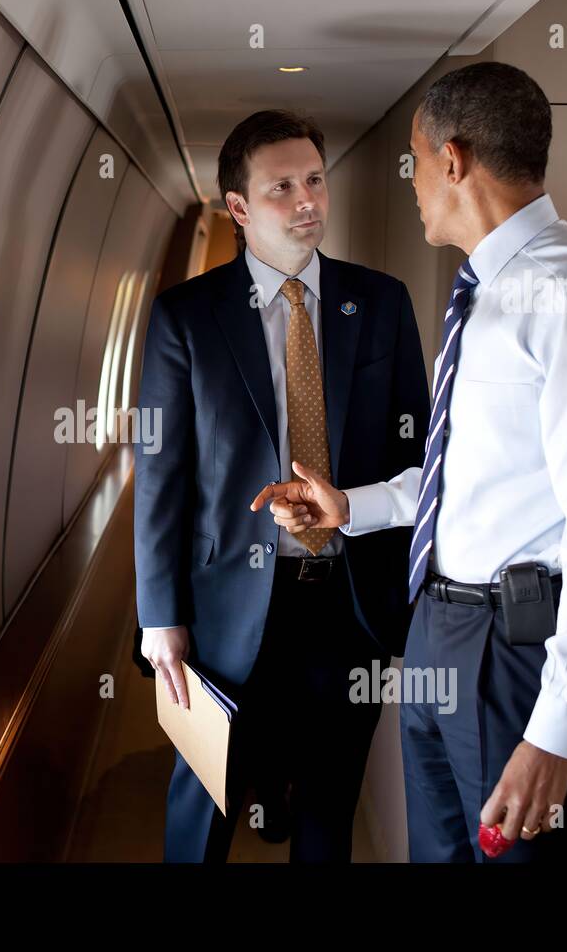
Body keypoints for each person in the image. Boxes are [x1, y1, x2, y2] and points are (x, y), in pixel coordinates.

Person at [256, 62, 567, 862]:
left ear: (453, 160)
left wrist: (556, 730)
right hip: (442, 629)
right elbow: (474, 474)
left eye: (415, 161)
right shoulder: (486, 292)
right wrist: (354, 505)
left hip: (521, 650)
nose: (413, 183)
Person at [134, 109, 429, 862]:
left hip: (349, 598)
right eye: (281, 188)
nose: (307, 201)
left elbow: (418, 453)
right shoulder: (185, 318)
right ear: (237, 208)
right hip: (226, 605)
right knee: (204, 799)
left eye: (315, 180)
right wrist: (159, 614)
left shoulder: (384, 304)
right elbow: (161, 477)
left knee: (330, 804)